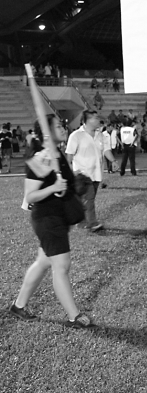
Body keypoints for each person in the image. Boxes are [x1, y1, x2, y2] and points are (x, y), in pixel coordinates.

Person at [10, 114, 93, 328]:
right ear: (47, 133)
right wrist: (53, 188)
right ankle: (74, 316)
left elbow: (64, 186)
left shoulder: (56, 154)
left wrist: (75, 184)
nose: (63, 128)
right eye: (58, 126)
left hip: (59, 217)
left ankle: (18, 306)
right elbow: (30, 197)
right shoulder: (42, 158)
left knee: (43, 262)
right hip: (47, 218)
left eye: (62, 124)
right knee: (61, 266)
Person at [65, 110, 109, 232]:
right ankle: (92, 223)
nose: (98, 120)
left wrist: (113, 161)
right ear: (87, 121)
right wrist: (70, 172)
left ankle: (79, 220)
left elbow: (105, 151)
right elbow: (69, 156)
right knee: (89, 200)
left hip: (96, 174)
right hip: (82, 175)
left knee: (86, 199)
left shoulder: (100, 135)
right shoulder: (76, 135)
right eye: (95, 118)